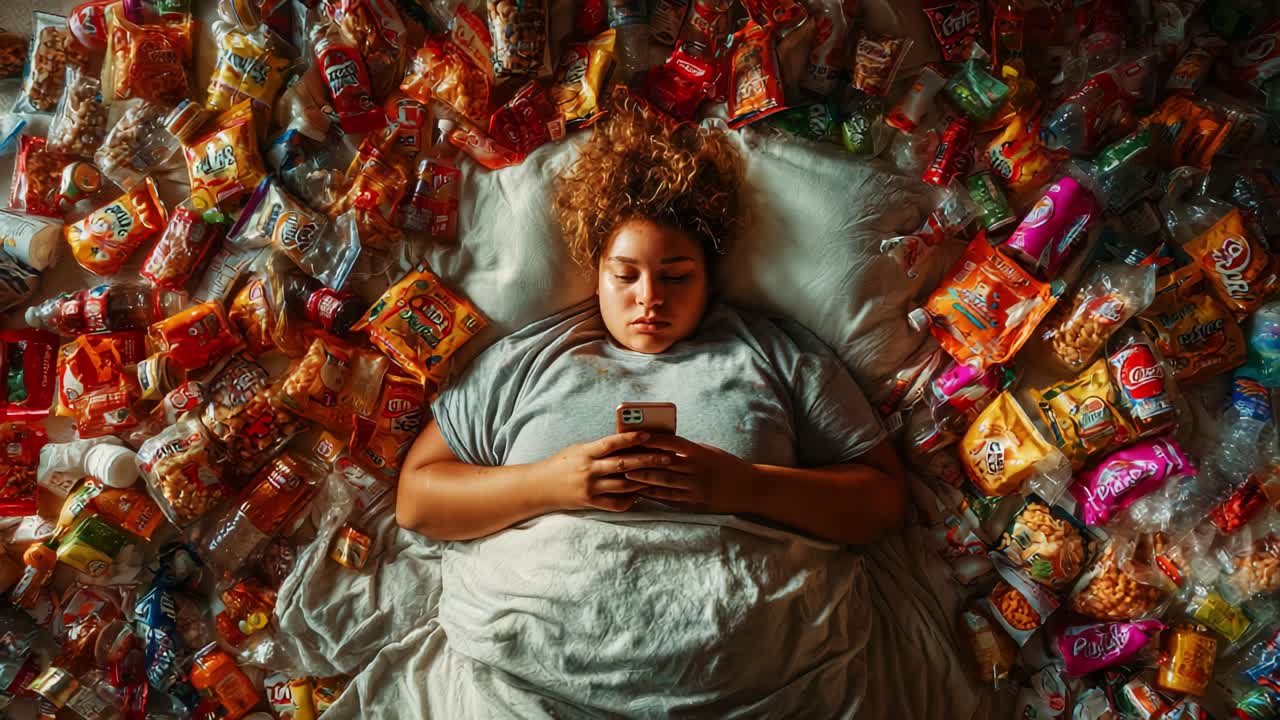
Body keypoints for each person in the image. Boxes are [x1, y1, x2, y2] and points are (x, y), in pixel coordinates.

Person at [396, 92, 906, 546]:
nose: (649, 299)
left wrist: (750, 487)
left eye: (676, 277)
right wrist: (548, 485)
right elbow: (416, 501)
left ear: (709, 281)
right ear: (596, 277)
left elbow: (885, 502)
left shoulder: (778, 356)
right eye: (625, 275)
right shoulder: (525, 361)